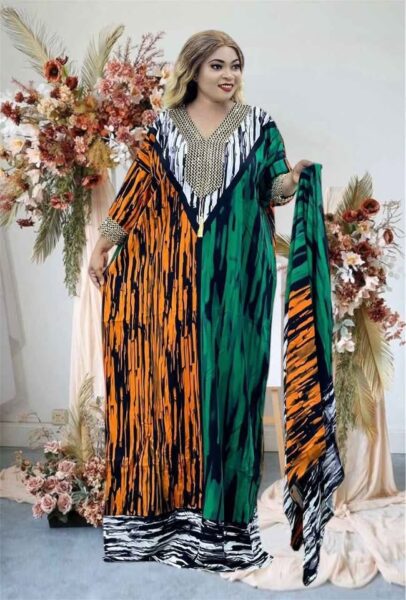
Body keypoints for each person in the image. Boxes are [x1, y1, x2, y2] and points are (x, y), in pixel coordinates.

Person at [88, 29, 313, 571]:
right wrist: (104, 244)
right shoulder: (163, 128)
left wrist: (292, 180)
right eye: (218, 65)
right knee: (163, 389)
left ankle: (223, 529)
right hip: (165, 283)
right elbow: (136, 191)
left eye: (236, 65)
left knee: (231, 390)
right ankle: (157, 524)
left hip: (236, 281)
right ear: (193, 69)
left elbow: (272, 190)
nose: (229, 75)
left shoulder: (259, 126)